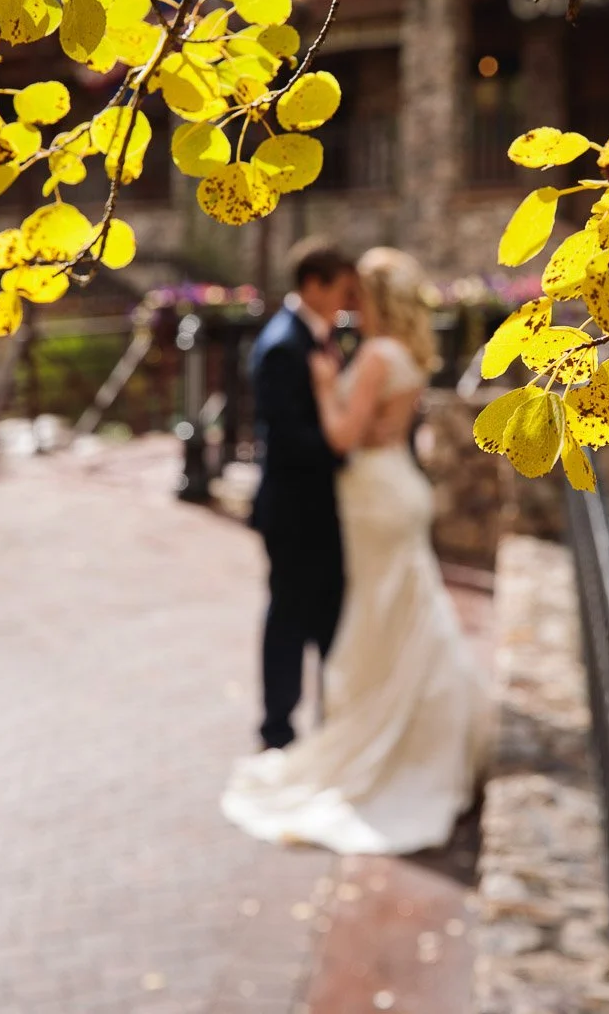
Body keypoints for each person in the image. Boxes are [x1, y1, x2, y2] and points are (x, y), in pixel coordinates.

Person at [222, 247, 492, 855]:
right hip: (393, 489)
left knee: (380, 615)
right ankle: (392, 730)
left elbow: (342, 437)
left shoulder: (372, 355)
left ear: (373, 298)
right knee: (396, 613)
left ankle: (377, 737)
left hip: (372, 497)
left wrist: (324, 389)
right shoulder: (409, 353)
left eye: (357, 294)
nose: (349, 304)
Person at [248, 237, 360, 751]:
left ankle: (328, 719)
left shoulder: (314, 338)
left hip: (319, 509)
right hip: (294, 511)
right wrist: (344, 450)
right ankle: (277, 729)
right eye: (341, 289)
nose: (347, 300)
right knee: (290, 617)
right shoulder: (282, 346)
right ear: (313, 285)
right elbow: (288, 438)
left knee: (325, 615)